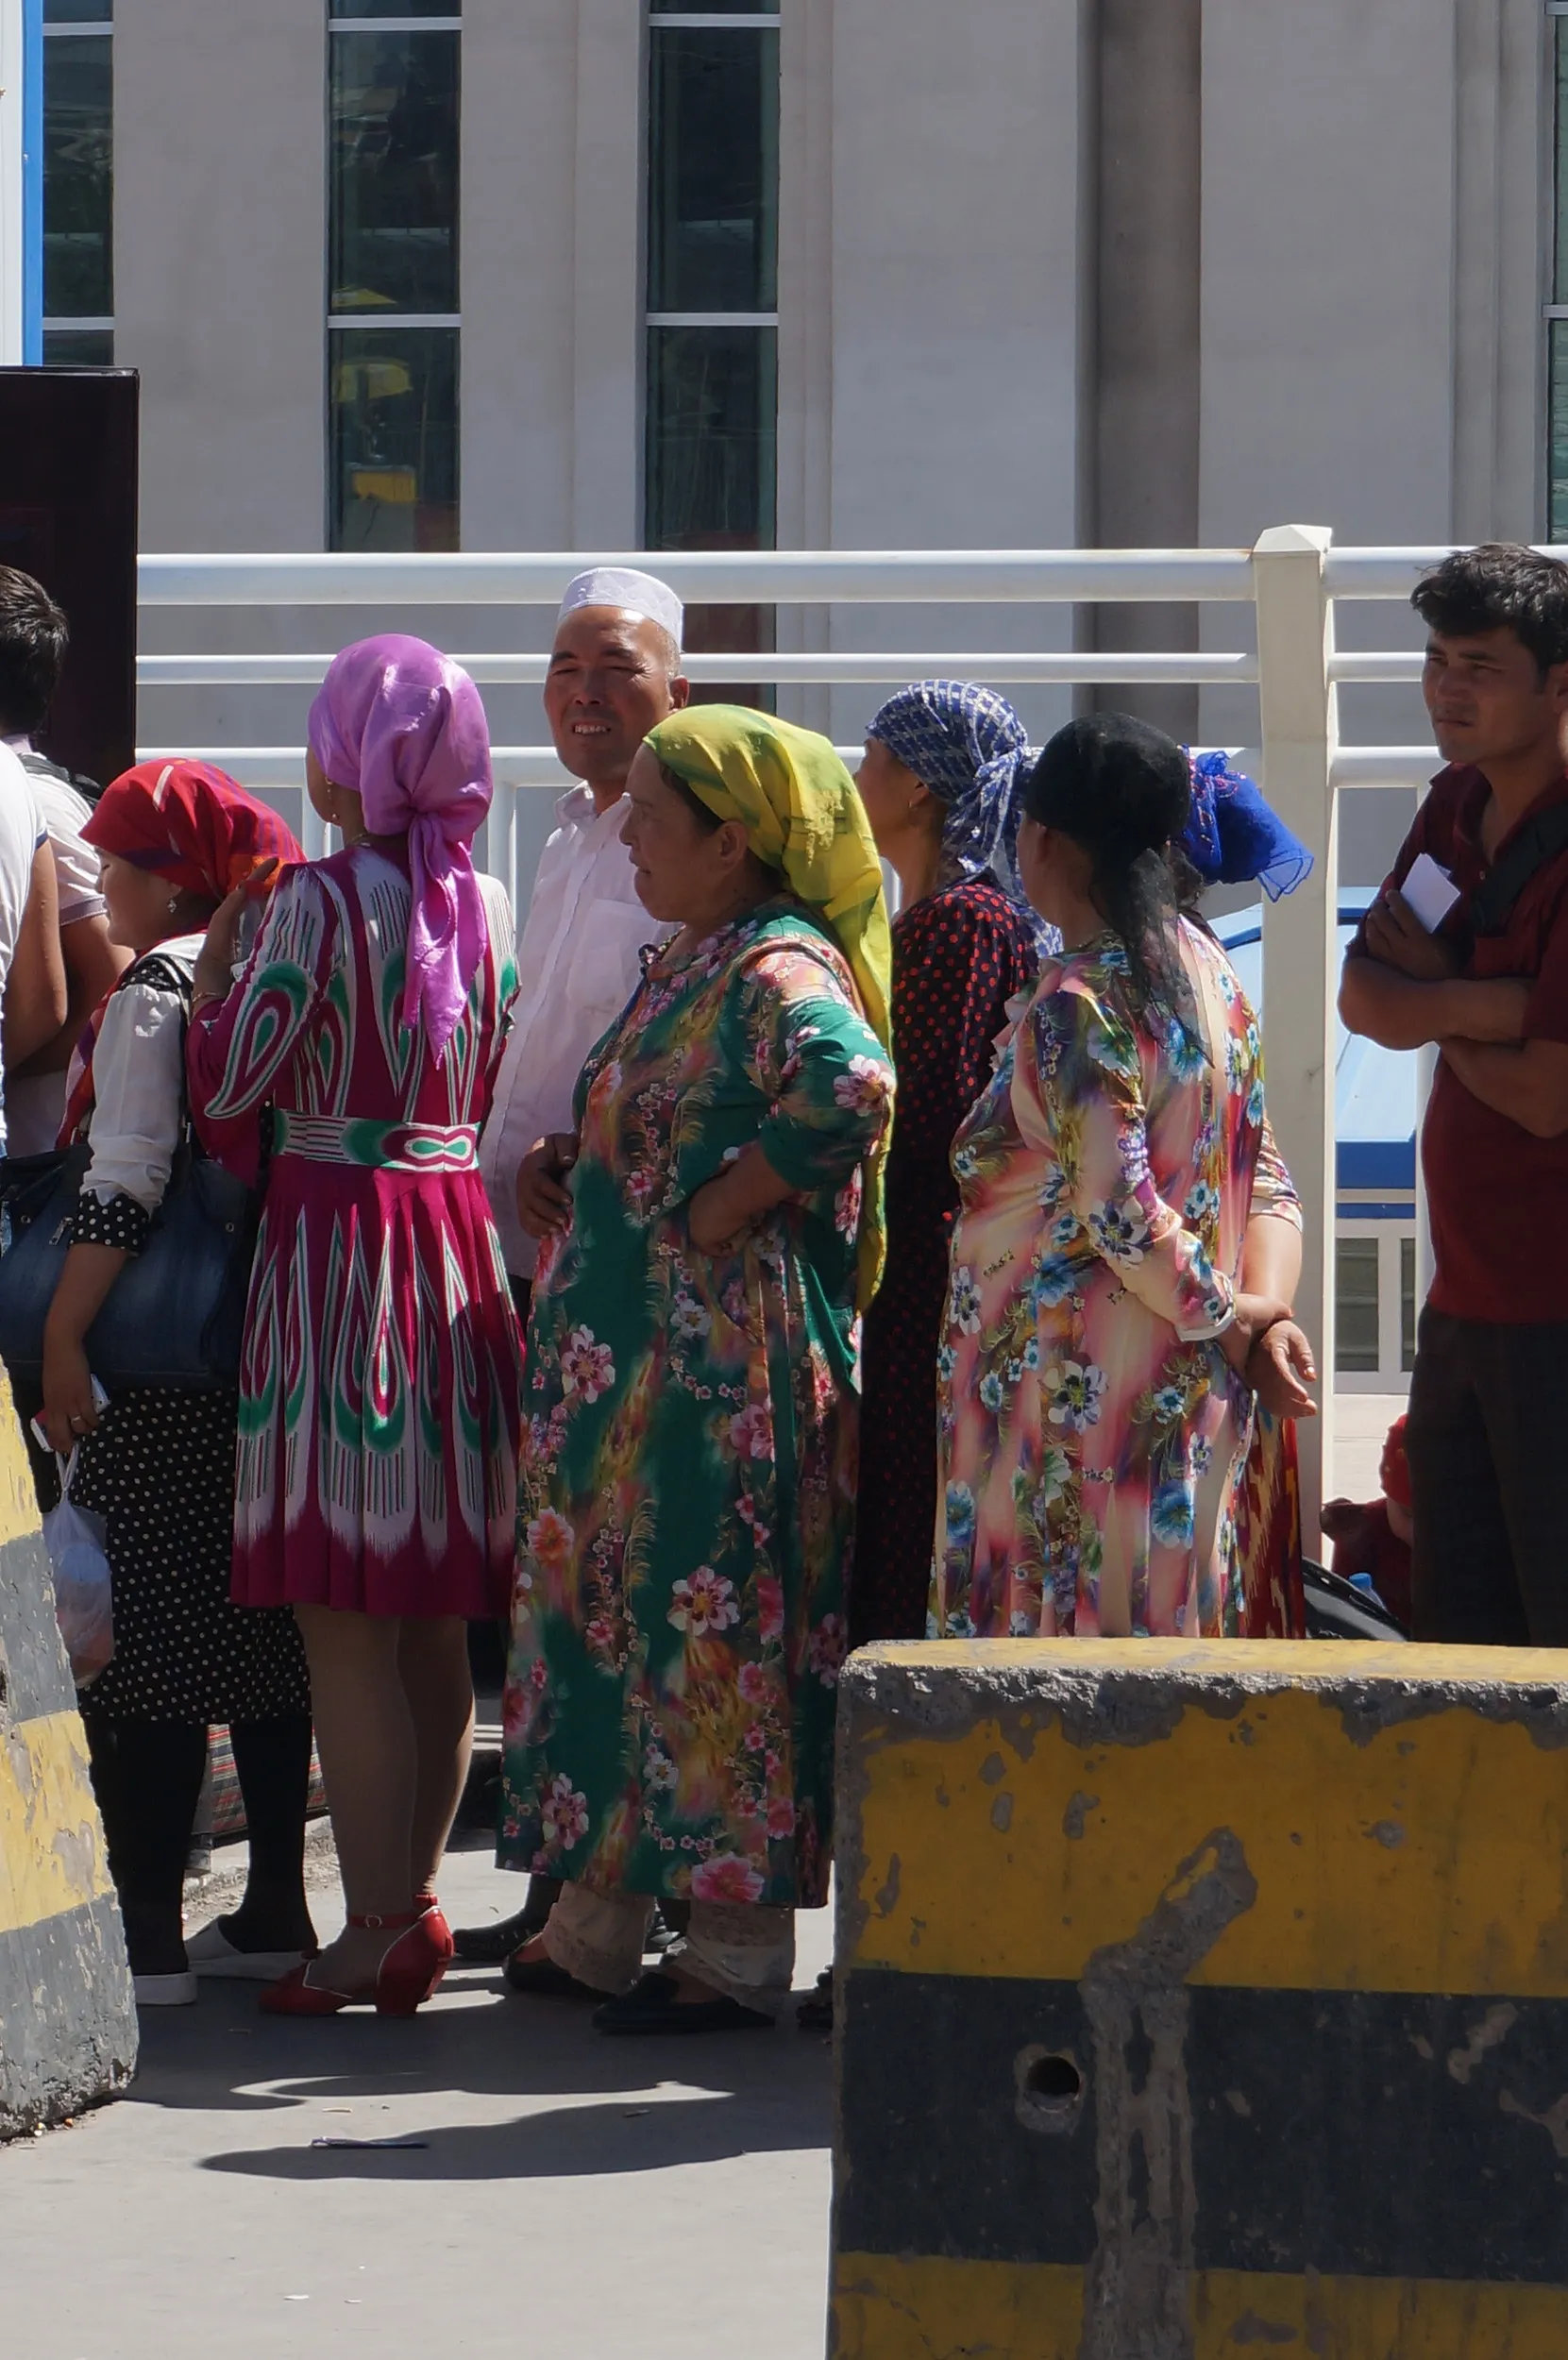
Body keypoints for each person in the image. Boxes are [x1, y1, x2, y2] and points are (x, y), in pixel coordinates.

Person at [497, 706, 894, 2032]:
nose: (632, 854)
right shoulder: (693, 959)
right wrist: (572, 1166)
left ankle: (732, 1951)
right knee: (624, 1625)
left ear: (732, 842)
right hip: (639, 1379)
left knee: (712, 1643)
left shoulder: (779, 966)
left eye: (654, 828)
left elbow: (849, 1092)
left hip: (718, 1377)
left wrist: (731, 1203)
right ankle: (600, 1924)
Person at [188, 636, 521, 2017]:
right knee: (435, 1608)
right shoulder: (490, 902)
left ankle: (371, 1922)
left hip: (336, 1253)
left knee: (342, 1615)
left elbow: (235, 1079)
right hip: (454, 1249)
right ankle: (418, 1904)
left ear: (353, 759)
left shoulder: (313, 906)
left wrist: (213, 973)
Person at [931, 713, 1309, 1642]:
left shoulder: (1078, 1001)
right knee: (1160, 1639)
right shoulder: (1210, 977)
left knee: (1058, 1667)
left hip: (1069, 1399)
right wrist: (1254, 1312)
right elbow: (1261, 1179)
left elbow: (1122, 1218)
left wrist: (1230, 1315)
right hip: (1172, 1393)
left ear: (1042, 837)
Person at [34, 760, 314, 2005]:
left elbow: (127, 1174)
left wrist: (60, 1336)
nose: (102, 884)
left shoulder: (155, 989)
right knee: (263, 1621)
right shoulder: (265, 964)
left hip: (155, 1354)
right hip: (263, 1338)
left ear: (171, 875)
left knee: (142, 1637)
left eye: (119, 863)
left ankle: (148, 1927)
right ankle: (277, 1902)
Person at [457, 565, 689, 1968]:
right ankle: (562, 1887)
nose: (584, 693)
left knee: (623, 1577)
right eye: (563, 668)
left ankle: (626, 1888)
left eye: (614, 666)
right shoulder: (551, 841)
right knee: (549, 1579)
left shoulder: (692, 842)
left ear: (679, 687)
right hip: (530, 1251)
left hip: (622, 1252)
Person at [1339, 544, 1568, 1646]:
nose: (1445, 689)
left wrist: (1431, 993)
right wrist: (1480, 1001)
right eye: (1435, 660)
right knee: (1457, 1637)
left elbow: (1542, 1097)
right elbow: (1361, 999)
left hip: (1554, 1315)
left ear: (1559, 683)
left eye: (1478, 664)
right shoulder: (1449, 807)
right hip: (1460, 1307)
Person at [848, 680, 1042, 1646]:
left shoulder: (963, 922)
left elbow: (932, 1113)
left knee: (901, 1491)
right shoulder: (931, 917)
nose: (856, 777)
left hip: (925, 1261)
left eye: (875, 757)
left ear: (920, 786)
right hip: (909, 1252)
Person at [0, 566, 126, 1153]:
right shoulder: (33, 787)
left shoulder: (36, 797)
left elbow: (109, 978)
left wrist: (7, 1067)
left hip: (37, 1152)